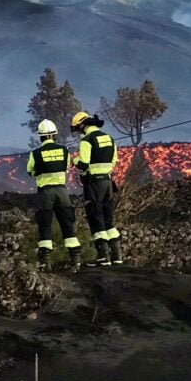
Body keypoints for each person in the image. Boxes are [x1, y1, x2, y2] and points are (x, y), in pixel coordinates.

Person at [26, 119, 82, 272]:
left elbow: (30, 171)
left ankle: (46, 263)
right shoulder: (64, 150)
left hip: (45, 192)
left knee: (45, 225)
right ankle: (75, 261)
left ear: (40, 136)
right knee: (67, 224)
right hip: (62, 192)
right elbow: (66, 167)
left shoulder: (35, 153)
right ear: (55, 135)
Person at [71, 111, 121, 266]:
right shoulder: (109, 138)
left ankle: (103, 257)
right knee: (108, 218)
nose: (78, 131)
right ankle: (117, 256)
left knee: (95, 215)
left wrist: (74, 160)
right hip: (108, 183)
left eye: (77, 128)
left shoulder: (87, 140)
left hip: (93, 184)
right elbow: (114, 161)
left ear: (82, 125)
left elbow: (84, 163)